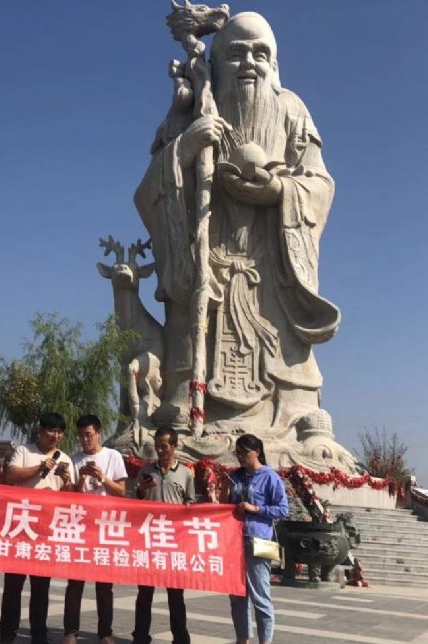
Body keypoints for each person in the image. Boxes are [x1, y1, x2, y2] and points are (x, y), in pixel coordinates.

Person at [135, 11, 340, 440]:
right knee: (185, 381)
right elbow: (148, 190)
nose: (250, 62)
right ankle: (188, 402)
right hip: (206, 268)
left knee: (289, 374)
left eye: (260, 54)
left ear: (275, 65)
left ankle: (295, 410)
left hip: (271, 270)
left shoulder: (291, 109)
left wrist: (279, 190)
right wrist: (186, 145)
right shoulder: (192, 109)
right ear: (216, 63)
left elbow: (320, 184)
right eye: (237, 53)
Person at [0, 412, 77, 644]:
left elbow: (70, 497)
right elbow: (11, 476)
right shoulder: (24, 451)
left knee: (41, 587)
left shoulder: (65, 459)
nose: (55, 436)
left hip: (46, 530)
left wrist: (67, 481)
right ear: (40, 431)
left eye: (60, 432)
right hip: (22, 526)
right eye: (51, 430)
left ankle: (39, 637)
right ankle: (7, 635)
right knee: (13, 585)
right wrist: (40, 466)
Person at [216, 433, 288, 644]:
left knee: (260, 595)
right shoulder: (235, 476)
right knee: (237, 596)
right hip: (234, 540)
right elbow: (225, 505)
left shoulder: (270, 477)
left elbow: (282, 509)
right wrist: (225, 488)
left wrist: (255, 508)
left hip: (258, 541)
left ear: (256, 452)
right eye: (237, 453)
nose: (240, 457)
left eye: (244, 453)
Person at [124, 427, 195, 644]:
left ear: (174, 446)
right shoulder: (146, 471)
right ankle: (140, 639)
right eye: (157, 446)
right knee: (144, 594)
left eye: (165, 446)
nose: (161, 451)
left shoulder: (185, 473)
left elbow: (190, 503)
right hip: (149, 541)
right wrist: (142, 490)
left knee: (176, 596)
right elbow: (136, 502)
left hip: (173, 543)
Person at [60, 414, 128, 644]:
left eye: (88, 434)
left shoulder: (113, 456)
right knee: (74, 584)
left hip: (105, 528)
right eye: (80, 435)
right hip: (80, 528)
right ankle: (70, 634)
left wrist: (102, 478)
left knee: (104, 586)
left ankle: (105, 636)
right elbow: (71, 496)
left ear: (98, 433)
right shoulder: (74, 459)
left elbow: (121, 491)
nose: (85, 440)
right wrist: (81, 480)